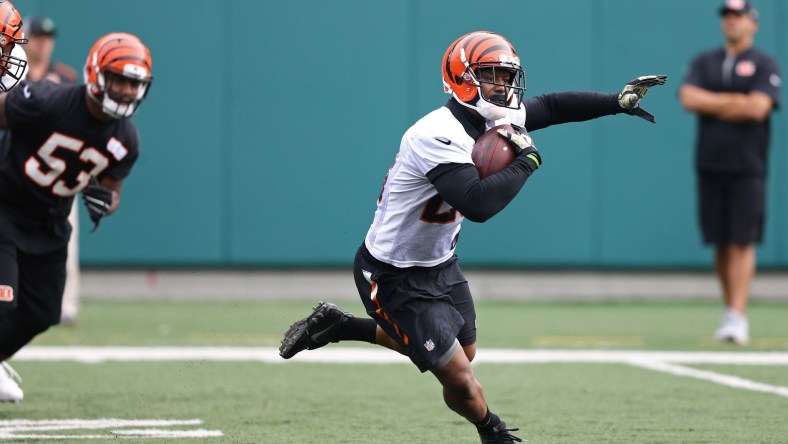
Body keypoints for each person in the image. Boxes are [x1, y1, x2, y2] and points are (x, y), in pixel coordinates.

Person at [278, 30, 666, 443]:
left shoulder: (494, 116)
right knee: (460, 378)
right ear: (462, 77)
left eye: (506, 75)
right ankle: (492, 430)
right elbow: (477, 205)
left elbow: (552, 106)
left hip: (440, 263)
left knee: (462, 354)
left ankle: (338, 326)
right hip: (392, 274)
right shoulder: (435, 133)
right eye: (492, 75)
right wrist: (527, 162)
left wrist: (615, 103)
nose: (503, 86)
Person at [0, 32, 154, 403]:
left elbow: (111, 189)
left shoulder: (126, 140)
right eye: (119, 79)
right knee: (4, 300)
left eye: (134, 84)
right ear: (96, 74)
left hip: (51, 221)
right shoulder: (47, 100)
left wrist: (107, 201)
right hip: (5, 205)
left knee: (42, 313)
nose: (126, 91)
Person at [679, 0, 780, 345]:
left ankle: (738, 315)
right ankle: (728, 311)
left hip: (748, 166)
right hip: (710, 163)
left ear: (753, 23)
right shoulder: (704, 61)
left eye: (738, 16)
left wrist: (718, 102)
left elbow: (758, 107)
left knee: (741, 241)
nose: (731, 22)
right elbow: (689, 97)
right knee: (720, 242)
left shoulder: (765, 63)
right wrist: (736, 101)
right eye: (727, 17)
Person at [23, 15, 81, 326]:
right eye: (38, 37)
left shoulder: (64, 77)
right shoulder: (12, 76)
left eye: (48, 37)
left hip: (58, 176)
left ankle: (66, 305)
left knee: (64, 243)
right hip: (19, 174)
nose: (44, 43)